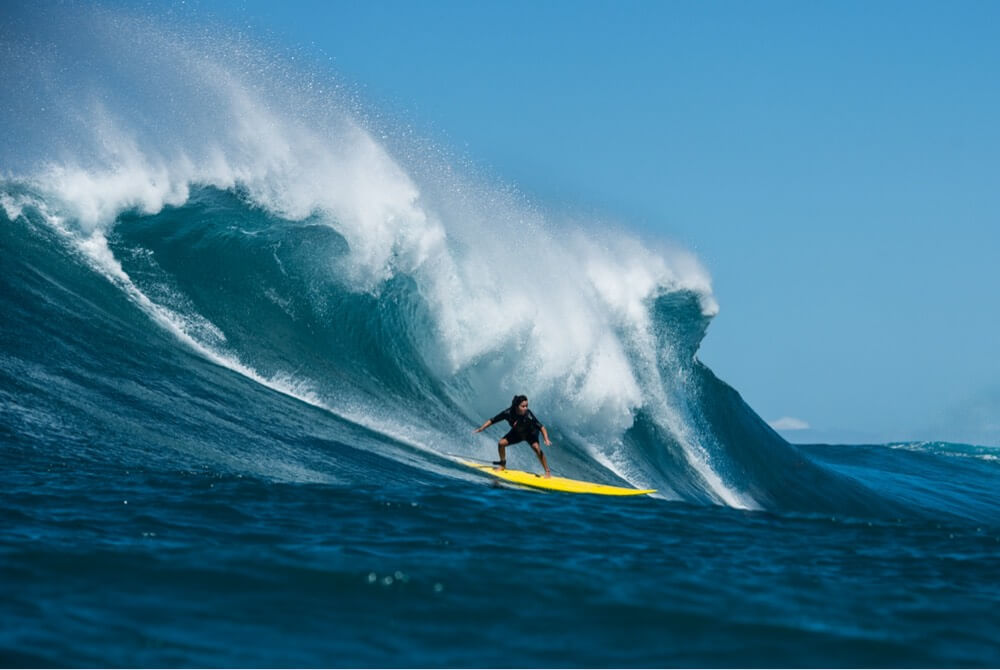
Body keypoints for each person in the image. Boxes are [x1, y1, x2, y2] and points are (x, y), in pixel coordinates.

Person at [473, 395, 552, 478]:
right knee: (501, 443)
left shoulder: (528, 415)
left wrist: (546, 439)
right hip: (517, 434)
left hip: (530, 434)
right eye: (523, 406)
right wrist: (481, 428)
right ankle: (502, 464)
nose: (525, 408)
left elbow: (541, 427)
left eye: (526, 406)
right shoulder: (508, 413)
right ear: (516, 406)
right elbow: (493, 420)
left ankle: (547, 471)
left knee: (536, 448)